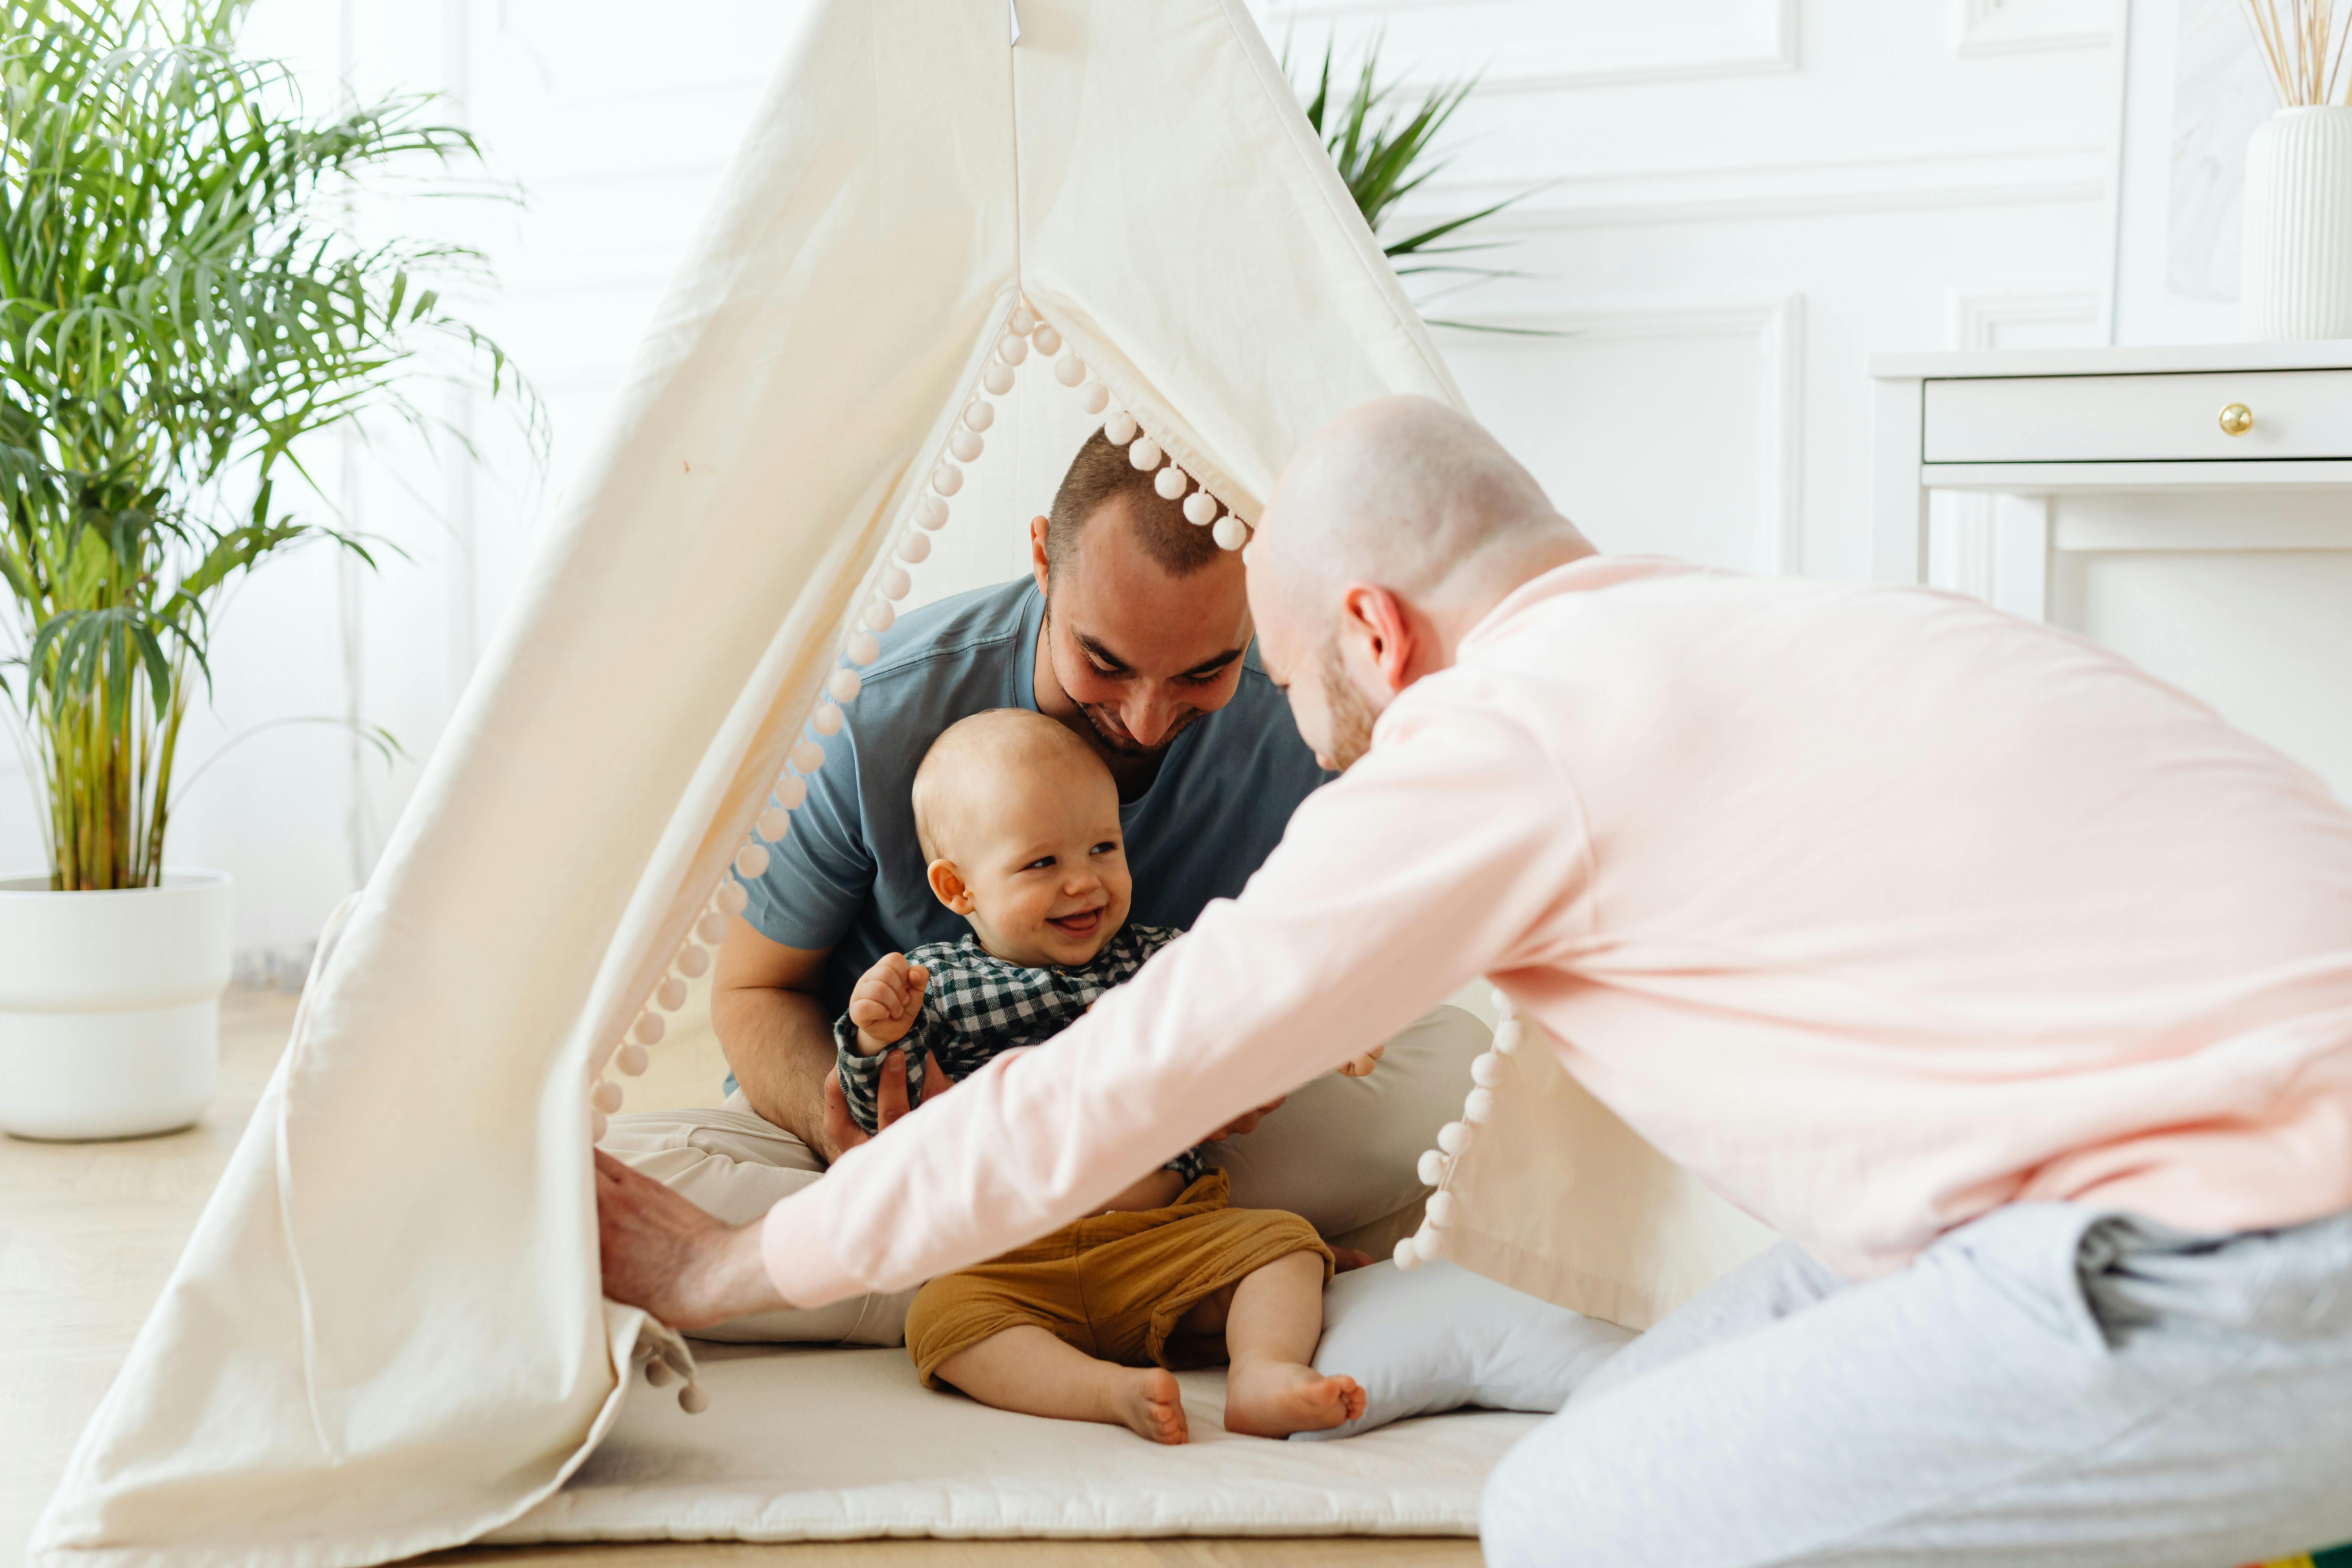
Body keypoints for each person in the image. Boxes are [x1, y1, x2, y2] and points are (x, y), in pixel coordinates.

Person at [598, 395, 2352, 1565]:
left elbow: (1133, 1070)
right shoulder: (1821, 625)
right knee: (1652, 1408)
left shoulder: (1502, 732)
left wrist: (741, 1259)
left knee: (1575, 1518)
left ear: (1373, 631)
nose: (1289, 727)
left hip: (2253, 1247)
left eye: (1280, 675)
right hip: (2126, 1188)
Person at [836, 707, 1364, 1443]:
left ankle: (1265, 1374)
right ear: (959, 890)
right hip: (1008, 1259)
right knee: (942, 1320)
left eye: (1102, 848)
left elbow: (1249, 990)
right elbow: (878, 1108)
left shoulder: (1155, 959)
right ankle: (1105, 1393)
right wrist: (874, 1033)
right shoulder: (936, 982)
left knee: (1283, 1245)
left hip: (1162, 1241)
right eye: (1041, 864)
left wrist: (1325, 1025)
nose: (1083, 883)